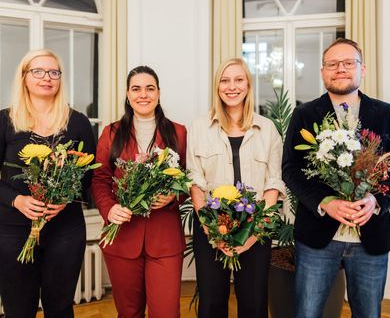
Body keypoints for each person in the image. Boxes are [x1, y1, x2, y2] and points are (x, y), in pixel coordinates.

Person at [282, 38, 390, 318]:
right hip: (318, 237)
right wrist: (324, 202)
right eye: (332, 64)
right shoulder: (304, 114)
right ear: (322, 71)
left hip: (372, 237)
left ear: (362, 69)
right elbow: (290, 169)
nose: (340, 69)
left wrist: (375, 201)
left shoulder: (386, 114)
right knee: (307, 313)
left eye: (347, 63)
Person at [187, 57, 285, 317]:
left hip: (256, 229)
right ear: (217, 86)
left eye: (239, 79)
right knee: (211, 303)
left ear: (248, 85)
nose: (232, 86)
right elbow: (194, 180)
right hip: (210, 227)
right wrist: (211, 229)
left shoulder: (268, 129)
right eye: (225, 80)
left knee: (254, 303)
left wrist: (254, 233)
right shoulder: (199, 127)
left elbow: (273, 184)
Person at [0, 49, 96, 317]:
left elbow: (88, 175)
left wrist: (65, 199)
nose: (47, 78)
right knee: (18, 310)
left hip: (65, 230)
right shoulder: (4, 121)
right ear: (24, 77)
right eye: (38, 71)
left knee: (61, 308)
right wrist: (17, 200)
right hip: (12, 230)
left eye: (54, 72)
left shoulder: (77, 122)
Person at [92, 65, 187, 318]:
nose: (143, 94)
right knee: (129, 313)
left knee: (166, 313)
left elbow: (189, 180)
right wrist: (109, 208)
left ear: (158, 93)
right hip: (122, 237)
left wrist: (173, 196)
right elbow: (100, 179)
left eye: (149, 88)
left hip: (165, 239)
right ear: (127, 94)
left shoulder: (179, 132)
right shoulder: (111, 133)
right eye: (136, 89)